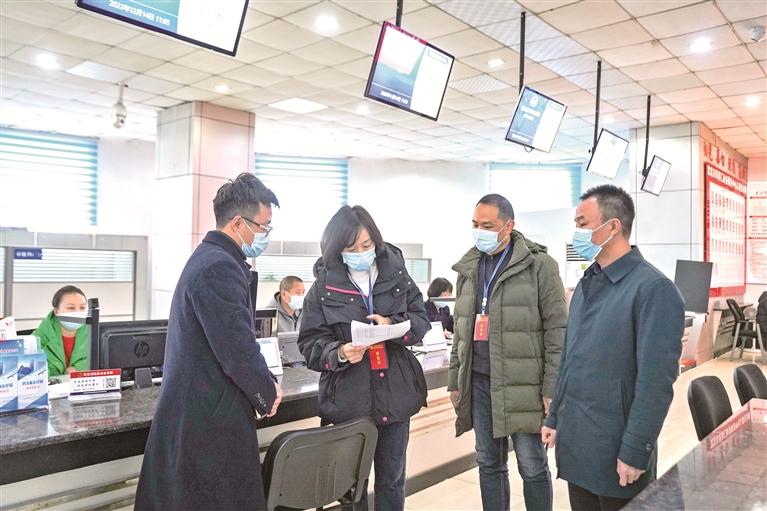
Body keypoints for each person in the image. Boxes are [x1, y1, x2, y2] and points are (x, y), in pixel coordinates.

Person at [135, 173, 283, 511]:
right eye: (263, 227)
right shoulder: (219, 268)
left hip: (204, 412)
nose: (266, 235)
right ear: (238, 223)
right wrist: (266, 391)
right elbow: (237, 348)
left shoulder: (212, 258)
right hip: (207, 421)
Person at [541, 185, 685, 511]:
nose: (576, 233)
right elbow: (569, 361)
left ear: (613, 226)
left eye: (582, 223)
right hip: (577, 444)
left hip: (616, 450)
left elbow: (655, 383)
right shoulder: (586, 285)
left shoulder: (653, 289)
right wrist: (554, 417)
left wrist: (635, 450)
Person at [298, 205, 431, 511]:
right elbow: (309, 343)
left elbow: (421, 320)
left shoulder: (397, 275)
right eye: (351, 248)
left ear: (376, 241)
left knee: (392, 481)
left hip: (394, 396)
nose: (360, 253)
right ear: (337, 249)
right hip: (349, 398)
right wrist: (339, 352)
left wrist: (392, 325)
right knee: (350, 487)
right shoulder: (322, 288)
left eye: (366, 245)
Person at [449, 194, 567, 511]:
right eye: (475, 224)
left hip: (524, 384)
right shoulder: (469, 267)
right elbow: (461, 330)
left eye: (488, 226)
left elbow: (558, 330)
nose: (480, 231)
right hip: (479, 383)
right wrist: (455, 380)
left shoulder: (539, 265)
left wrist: (552, 387)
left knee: (532, 465)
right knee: (488, 463)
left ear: (508, 226)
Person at [32, 285, 88, 376]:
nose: (78, 312)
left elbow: (102, 359)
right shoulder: (38, 338)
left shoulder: (94, 333)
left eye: (82, 308)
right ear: (56, 311)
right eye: (71, 308)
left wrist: (79, 368)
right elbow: (34, 371)